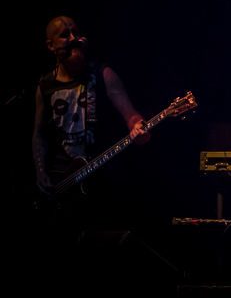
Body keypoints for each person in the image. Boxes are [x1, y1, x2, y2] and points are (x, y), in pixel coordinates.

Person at [32, 16, 149, 214]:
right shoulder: (45, 86)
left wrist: (138, 126)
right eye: (65, 35)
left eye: (76, 32)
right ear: (51, 46)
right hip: (61, 180)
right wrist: (41, 171)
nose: (74, 38)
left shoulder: (103, 74)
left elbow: (131, 116)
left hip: (103, 179)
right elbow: (39, 134)